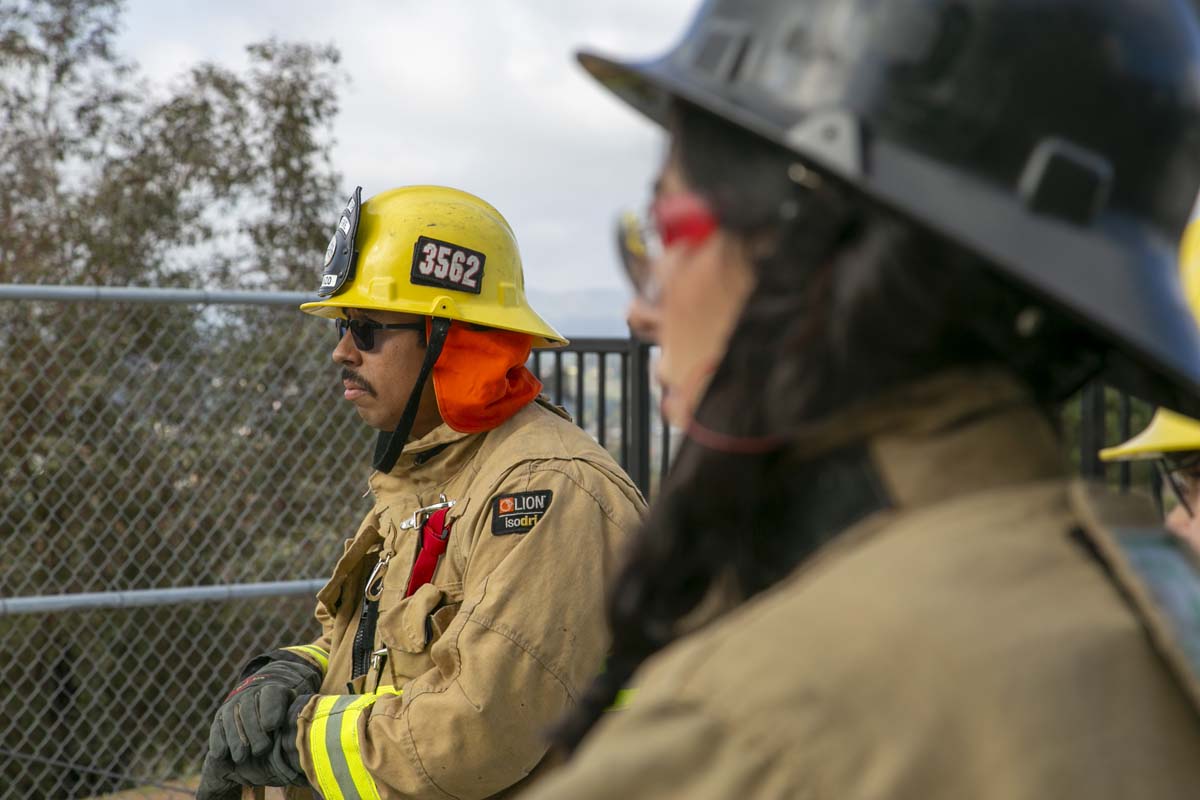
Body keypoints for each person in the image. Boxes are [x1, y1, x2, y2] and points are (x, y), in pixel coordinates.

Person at [525, 1, 1200, 797]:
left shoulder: (750, 730)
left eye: (662, 226)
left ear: (810, 248)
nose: (644, 306)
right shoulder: (1153, 613)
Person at [196, 185, 646, 799]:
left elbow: (477, 729)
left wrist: (294, 743)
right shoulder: (430, 474)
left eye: (366, 329)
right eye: (343, 327)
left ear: (452, 340)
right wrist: (292, 671)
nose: (341, 351)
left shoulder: (543, 490)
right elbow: (377, 650)